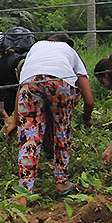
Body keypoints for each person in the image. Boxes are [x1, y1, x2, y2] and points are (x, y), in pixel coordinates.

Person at [14, 34, 93, 202]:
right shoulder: (70, 51)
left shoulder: (36, 47)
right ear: (66, 44)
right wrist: (87, 118)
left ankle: (24, 193)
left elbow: (21, 86)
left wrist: (15, 122)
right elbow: (89, 99)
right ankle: (61, 182)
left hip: (30, 82)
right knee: (62, 131)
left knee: (29, 137)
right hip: (61, 82)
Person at [0, 27, 35, 157]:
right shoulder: (2, 66)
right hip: (5, 93)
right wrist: (7, 119)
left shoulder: (37, 62)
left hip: (32, 93)